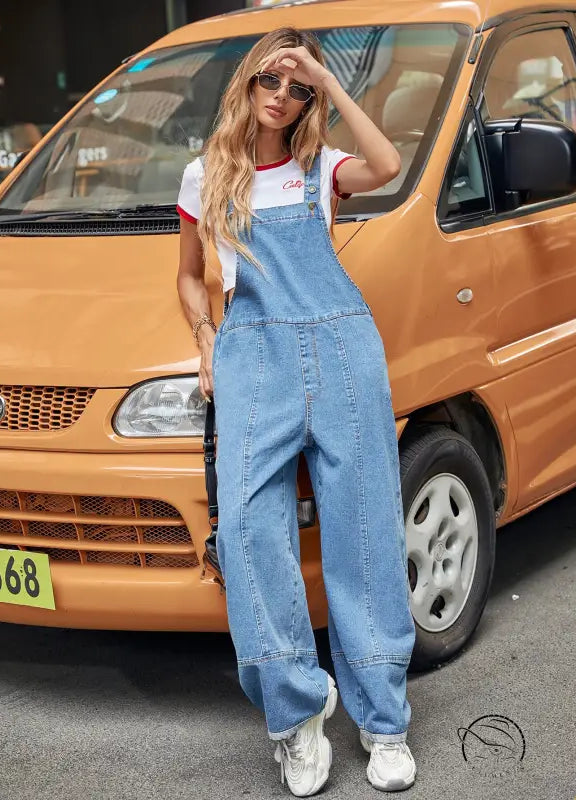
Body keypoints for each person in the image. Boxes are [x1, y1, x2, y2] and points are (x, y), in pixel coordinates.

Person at [176, 26, 417, 796]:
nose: (281, 97)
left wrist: (331, 79)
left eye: (298, 88)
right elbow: (188, 276)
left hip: (343, 349)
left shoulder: (322, 168)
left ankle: (384, 721)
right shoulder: (204, 176)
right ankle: (297, 714)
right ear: (247, 83)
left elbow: (388, 165)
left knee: (365, 529)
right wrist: (206, 340)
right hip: (252, 356)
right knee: (248, 535)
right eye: (271, 81)